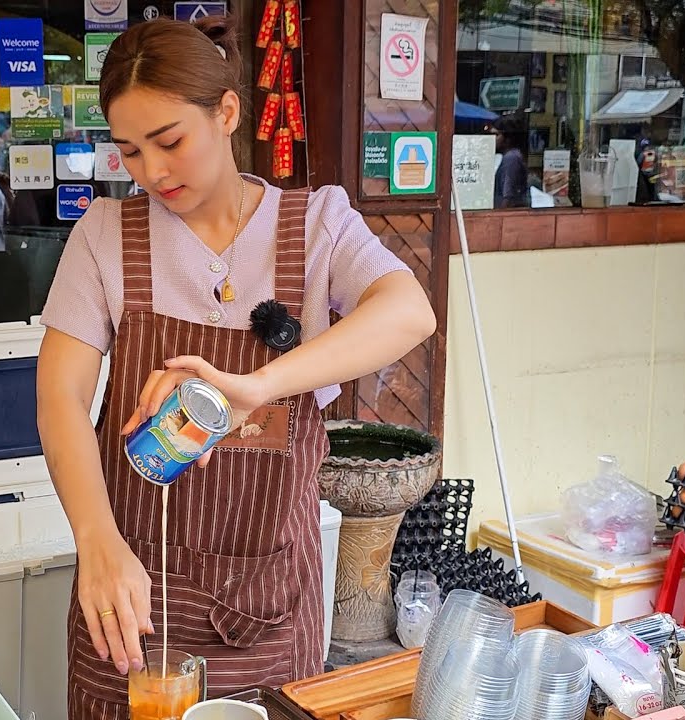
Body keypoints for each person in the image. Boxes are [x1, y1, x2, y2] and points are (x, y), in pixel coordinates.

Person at [35, 15, 436, 717]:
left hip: (267, 608)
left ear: (226, 113)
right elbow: (60, 398)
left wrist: (257, 386)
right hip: (131, 596)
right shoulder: (105, 235)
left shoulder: (316, 226)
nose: (152, 172)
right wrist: (95, 541)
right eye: (129, 152)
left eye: (170, 142)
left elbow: (408, 310)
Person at [493, 115, 529, 209]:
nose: (493, 139)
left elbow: (508, 196)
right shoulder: (513, 156)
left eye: (496, 135)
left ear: (508, 137)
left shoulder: (511, 158)